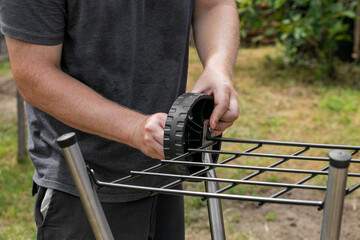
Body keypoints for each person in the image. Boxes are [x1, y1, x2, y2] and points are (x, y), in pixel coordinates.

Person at [0, 0, 239, 239]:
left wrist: (218, 66)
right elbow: (34, 75)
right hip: (84, 182)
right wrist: (132, 127)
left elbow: (213, 5)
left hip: (166, 163)